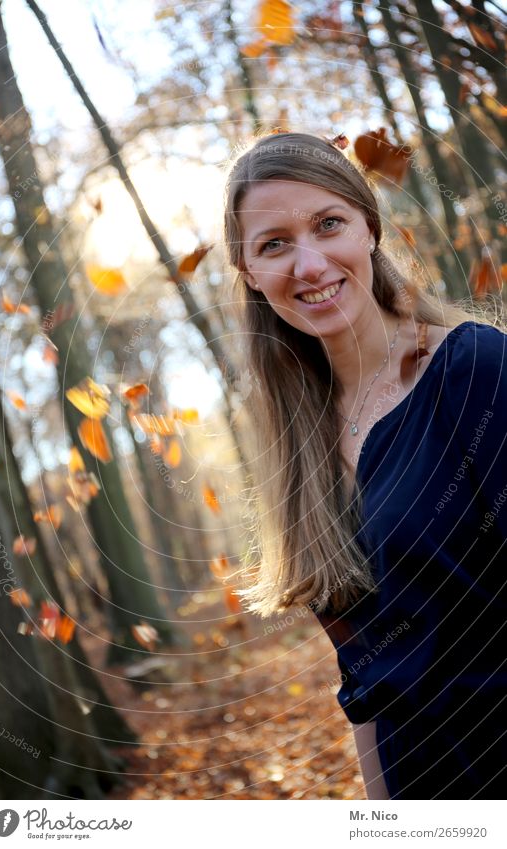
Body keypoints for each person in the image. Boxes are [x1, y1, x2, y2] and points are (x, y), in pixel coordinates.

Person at [221, 131, 507, 800]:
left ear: (369, 229)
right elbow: (366, 684)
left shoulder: (471, 371)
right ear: (250, 274)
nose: (309, 263)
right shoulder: (298, 451)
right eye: (273, 244)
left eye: (327, 224)